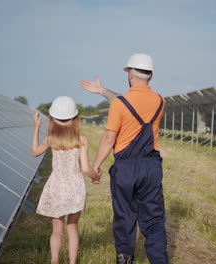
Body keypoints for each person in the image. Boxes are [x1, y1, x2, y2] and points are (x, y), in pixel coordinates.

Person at [81, 53, 168, 264]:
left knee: (125, 216)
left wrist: (95, 166)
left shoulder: (120, 104)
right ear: (151, 76)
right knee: (154, 219)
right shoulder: (160, 101)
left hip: (125, 169)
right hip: (151, 167)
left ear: (130, 74)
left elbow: (110, 136)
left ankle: (125, 258)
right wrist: (102, 90)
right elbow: (132, 103)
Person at [31, 96, 101, 264]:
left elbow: (34, 152)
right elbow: (85, 168)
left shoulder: (51, 139)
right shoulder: (81, 140)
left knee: (56, 230)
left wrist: (36, 128)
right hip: (75, 187)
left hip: (55, 186)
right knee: (72, 227)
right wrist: (95, 177)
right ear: (75, 118)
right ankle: (72, 262)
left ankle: (54, 260)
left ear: (53, 119)